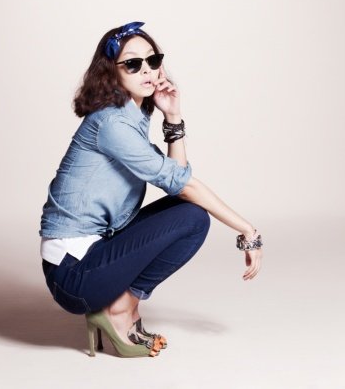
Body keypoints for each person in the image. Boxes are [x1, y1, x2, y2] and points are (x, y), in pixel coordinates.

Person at [39, 21, 263, 358]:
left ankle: (121, 306)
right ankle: (116, 311)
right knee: (191, 216)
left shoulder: (130, 118)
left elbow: (176, 178)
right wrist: (247, 229)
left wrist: (172, 116)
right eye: (133, 63)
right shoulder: (112, 123)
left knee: (191, 215)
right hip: (73, 274)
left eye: (153, 60)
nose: (147, 69)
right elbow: (182, 184)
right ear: (111, 72)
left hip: (96, 249)